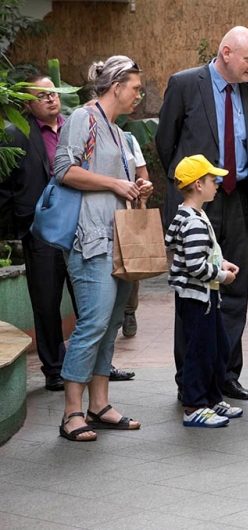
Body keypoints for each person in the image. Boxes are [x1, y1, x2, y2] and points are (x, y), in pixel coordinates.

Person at [156, 26, 248, 401]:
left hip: (237, 200)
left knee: (235, 289)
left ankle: (226, 375)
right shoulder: (185, 84)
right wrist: (190, 190)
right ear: (226, 53)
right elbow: (166, 143)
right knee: (194, 291)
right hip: (199, 201)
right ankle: (191, 380)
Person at [52, 55, 152, 441]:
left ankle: (99, 405)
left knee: (110, 324)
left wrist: (137, 188)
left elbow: (115, 181)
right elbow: (64, 169)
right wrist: (114, 183)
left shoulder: (118, 131)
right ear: (116, 86)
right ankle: (71, 413)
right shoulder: (84, 118)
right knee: (93, 323)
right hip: (90, 239)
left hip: (119, 240)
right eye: (135, 88)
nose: (139, 95)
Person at [0, 75, 74, 392]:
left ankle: (96, 364)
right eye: (41, 95)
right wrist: (23, 226)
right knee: (46, 303)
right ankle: (54, 369)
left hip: (78, 226)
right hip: (41, 231)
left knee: (89, 299)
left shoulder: (74, 128)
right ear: (27, 105)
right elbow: (4, 187)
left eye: (52, 93)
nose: (50, 98)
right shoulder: (15, 134)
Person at [164, 154, 243, 427]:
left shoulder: (193, 215)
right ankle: (194, 405)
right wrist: (223, 276)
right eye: (212, 180)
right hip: (198, 298)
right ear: (198, 185)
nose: (217, 185)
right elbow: (196, 266)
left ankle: (211, 398)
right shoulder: (195, 222)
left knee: (216, 348)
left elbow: (203, 254)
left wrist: (221, 262)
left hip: (204, 296)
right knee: (200, 352)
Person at [121, 132, 148, 341]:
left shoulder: (128, 139)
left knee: (132, 263)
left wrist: (142, 189)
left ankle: (129, 311)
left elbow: (142, 173)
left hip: (127, 209)